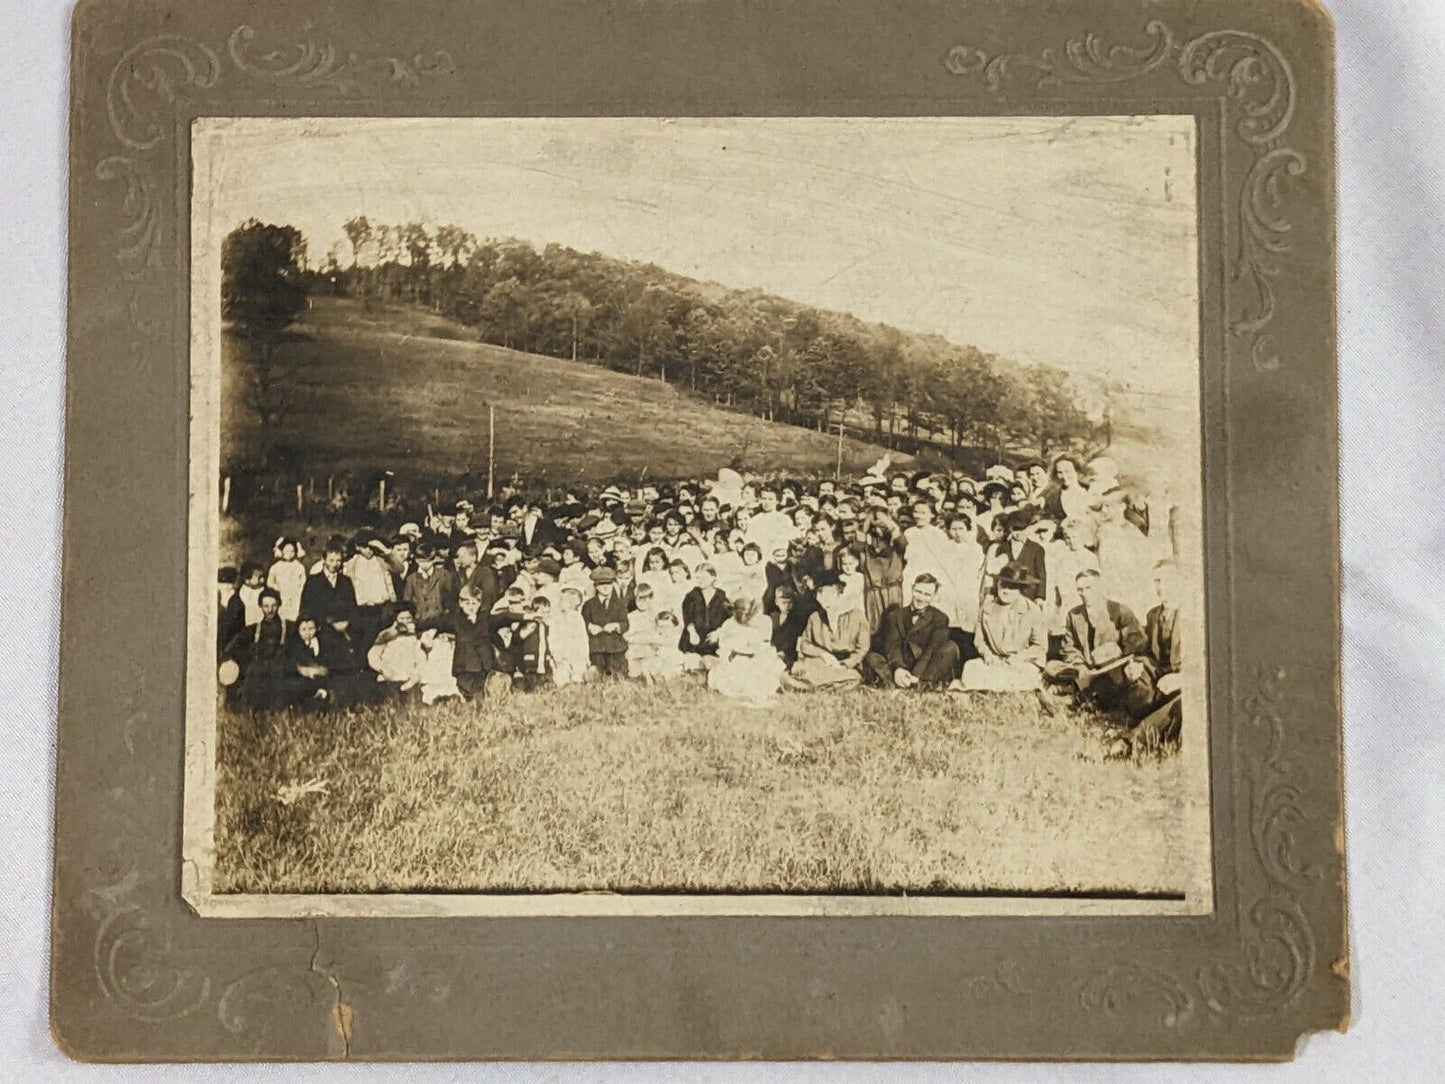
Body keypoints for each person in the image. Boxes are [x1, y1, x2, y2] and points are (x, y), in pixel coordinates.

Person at [1044, 568, 1149, 713]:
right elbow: (1068, 646)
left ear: (1099, 588)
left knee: (1111, 681)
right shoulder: (1073, 615)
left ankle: (1071, 698)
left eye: (1089, 588)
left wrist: (1115, 651)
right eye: (1080, 590)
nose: (1084, 594)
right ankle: (1072, 690)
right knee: (1051, 667)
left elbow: (1137, 639)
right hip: (1085, 667)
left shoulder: (1118, 610)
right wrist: (1079, 664)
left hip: (1112, 667)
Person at [1120, 560, 1186, 751]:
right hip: (1161, 678)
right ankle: (1145, 718)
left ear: (1179, 582)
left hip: (1186, 682)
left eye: (1165, 580)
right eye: (1156, 581)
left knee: (1183, 702)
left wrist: (1183, 678)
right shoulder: (1153, 614)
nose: (1160, 587)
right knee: (1137, 681)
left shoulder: (1196, 613)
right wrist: (1135, 664)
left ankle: (1135, 740)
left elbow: (1208, 663)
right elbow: (1147, 651)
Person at [956, 565, 1049, 691]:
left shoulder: (1032, 610)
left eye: (1011, 587)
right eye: (1002, 585)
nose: (1005, 591)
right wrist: (988, 655)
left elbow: (1040, 646)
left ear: (1019, 590)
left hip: (1022, 660)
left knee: (1022, 674)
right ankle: (998, 684)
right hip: (996, 660)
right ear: (997, 585)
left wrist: (1019, 658)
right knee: (970, 667)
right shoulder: (987, 609)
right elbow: (980, 641)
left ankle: (997, 685)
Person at [864, 574, 959, 690]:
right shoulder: (895, 615)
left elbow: (931, 649)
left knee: (951, 648)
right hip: (901, 663)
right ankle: (895, 683)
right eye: (918, 592)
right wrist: (898, 669)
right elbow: (893, 645)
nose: (921, 598)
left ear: (934, 597)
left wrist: (916, 675)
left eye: (927, 595)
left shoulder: (940, 618)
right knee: (871, 657)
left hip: (925, 667)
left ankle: (922, 684)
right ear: (912, 589)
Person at [785, 574, 869, 691]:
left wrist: (845, 664)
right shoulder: (815, 618)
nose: (822, 599)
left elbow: (863, 648)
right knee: (804, 667)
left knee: (850, 676)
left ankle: (819, 685)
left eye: (829, 595)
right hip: (822, 663)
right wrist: (824, 655)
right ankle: (828, 685)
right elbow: (804, 644)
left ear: (840, 595)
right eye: (819, 594)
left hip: (846, 665)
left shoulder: (856, 616)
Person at [707, 596, 785, 707]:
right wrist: (739, 650)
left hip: (755, 657)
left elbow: (762, 643)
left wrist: (755, 649)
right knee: (740, 672)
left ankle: (759, 693)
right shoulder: (729, 625)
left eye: (749, 616)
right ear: (734, 613)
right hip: (734, 659)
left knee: (763, 669)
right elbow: (725, 646)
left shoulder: (759, 622)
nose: (746, 619)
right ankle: (745, 694)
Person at [286, 612, 365, 709]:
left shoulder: (326, 642)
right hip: (306, 680)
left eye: (311, 629)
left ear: (318, 628)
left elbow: (336, 662)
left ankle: (325, 697)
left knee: (341, 686)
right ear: (298, 630)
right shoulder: (294, 645)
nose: (307, 633)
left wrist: (324, 670)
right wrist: (303, 670)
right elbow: (292, 664)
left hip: (326, 678)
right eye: (303, 629)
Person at [298, 544, 357, 640]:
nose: (334, 564)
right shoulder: (313, 581)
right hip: (321, 632)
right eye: (331, 560)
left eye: (338, 561)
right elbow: (306, 609)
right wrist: (329, 624)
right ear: (324, 560)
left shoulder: (346, 581)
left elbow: (352, 607)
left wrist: (347, 623)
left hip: (344, 632)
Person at [581, 566, 629, 677]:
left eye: (609, 583)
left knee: (618, 676)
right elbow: (582, 623)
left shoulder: (620, 604)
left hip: (616, 647)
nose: (606, 587)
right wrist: (589, 627)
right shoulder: (589, 605)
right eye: (601, 584)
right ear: (596, 586)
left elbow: (625, 624)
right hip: (597, 647)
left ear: (613, 585)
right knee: (597, 676)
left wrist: (617, 625)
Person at [402, 541, 458, 632]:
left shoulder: (445, 576)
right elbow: (407, 601)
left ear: (434, 559)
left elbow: (451, 600)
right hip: (419, 621)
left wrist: (446, 616)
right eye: (421, 561)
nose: (425, 565)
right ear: (416, 560)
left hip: (440, 621)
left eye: (428, 561)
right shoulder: (411, 579)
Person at [680, 562, 729, 661]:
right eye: (698, 578)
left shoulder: (721, 596)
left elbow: (728, 619)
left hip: (713, 641)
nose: (700, 581)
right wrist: (692, 632)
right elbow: (687, 619)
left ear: (713, 577)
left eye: (704, 577)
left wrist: (719, 633)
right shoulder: (691, 596)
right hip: (694, 640)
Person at [451, 586, 493, 699]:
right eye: (468, 603)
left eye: (474, 603)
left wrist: (527, 616)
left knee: (482, 694)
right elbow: (435, 623)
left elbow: (504, 617)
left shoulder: (485, 618)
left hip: (483, 665)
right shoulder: (456, 620)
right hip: (464, 666)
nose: (471, 607)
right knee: (467, 694)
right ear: (460, 603)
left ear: (480, 604)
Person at [548, 586, 591, 686]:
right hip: (561, 653)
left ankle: (576, 691)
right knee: (562, 677)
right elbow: (552, 637)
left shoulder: (578, 618)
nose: (560, 603)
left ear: (573, 604)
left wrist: (585, 656)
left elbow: (583, 638)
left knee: (578, 675)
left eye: (563, 600)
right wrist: (555, 653)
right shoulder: (556, 619)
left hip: (576, 653)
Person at [266, 538, 307, 622]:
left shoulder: (299, 566)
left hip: (295, 595)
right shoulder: (276, 566)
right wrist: (277, 588)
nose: (290, 554)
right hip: (281, 593)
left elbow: (303, 581)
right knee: (281, 615)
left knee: (295, 615)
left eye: (292, 551)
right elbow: (269, 582)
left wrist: (299, 589)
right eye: (287, 551)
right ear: (282, 551)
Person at [217, 567, 247, 658]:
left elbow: (238, 631)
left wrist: (227, 648)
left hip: (230, 646)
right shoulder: (216, 599)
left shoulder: (237, 603)